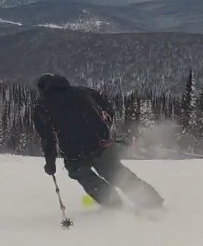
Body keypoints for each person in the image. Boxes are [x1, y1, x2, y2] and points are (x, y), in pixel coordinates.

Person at [31, 74, 164, 209]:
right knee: (116, 174)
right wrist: (105, 129)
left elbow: (48, 138)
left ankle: (113, 204)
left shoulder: (43, 106)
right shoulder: (84, 92)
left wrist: (50, 163)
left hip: (74, 152)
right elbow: (108, 109)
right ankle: (151, 200)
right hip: (101, 144)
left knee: (84, 176)